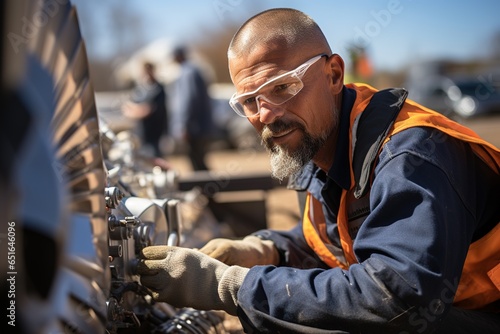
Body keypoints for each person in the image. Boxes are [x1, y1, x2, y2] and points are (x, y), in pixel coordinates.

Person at [136, 8, 500, 333]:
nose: (266, 115)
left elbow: (397, 296)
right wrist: (265, 250)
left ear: (334, 75)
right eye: (249, 101)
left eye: (282, 87)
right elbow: (337, 240)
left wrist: (232, 285)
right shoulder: (323, 145)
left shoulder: (409, 155)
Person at [169, 46, 213, 171]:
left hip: (194, 127)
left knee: (196, 160)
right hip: (198, 126)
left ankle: (206, 188)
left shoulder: (188, 73)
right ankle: (206, 187)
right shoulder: (193, 70)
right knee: (198, 159)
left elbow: (188, 100)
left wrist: (183, 125)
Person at [122, 62, 168, 157]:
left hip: (154, 133)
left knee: (155, 158)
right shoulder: (140, 89)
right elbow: (128, 107)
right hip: (140, 133)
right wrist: (136, 110)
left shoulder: (158, 89)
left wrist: (137, 111)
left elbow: (147, 110)